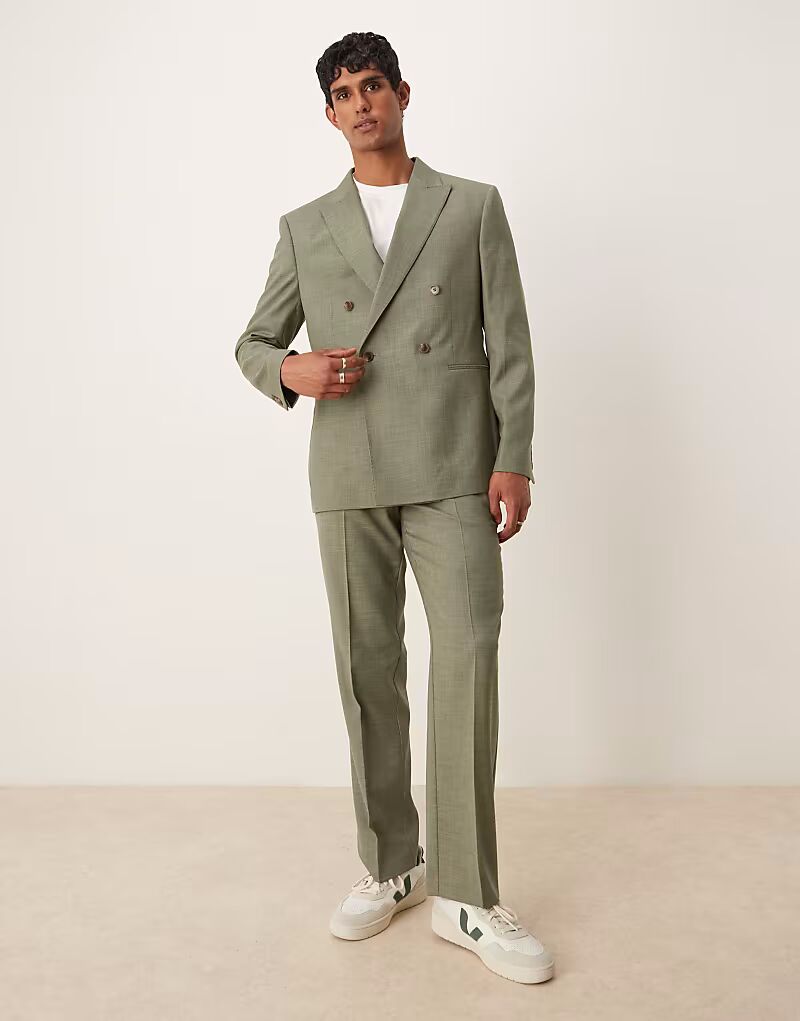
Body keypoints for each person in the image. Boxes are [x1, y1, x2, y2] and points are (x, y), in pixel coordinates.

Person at [234, 31, 554, 985]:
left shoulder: (470, 205)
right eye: (343, 93)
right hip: (349, 471)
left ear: (402, 93)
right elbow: (254, 342)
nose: (360, 103)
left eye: (372, 85)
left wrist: (514, 456)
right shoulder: (305, 225)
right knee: (367, 671)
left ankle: (466, 895)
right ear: (329, 115)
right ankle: (393, 864)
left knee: (468, 659)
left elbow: (510, 343)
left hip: (456, 465)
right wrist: (291, 370)